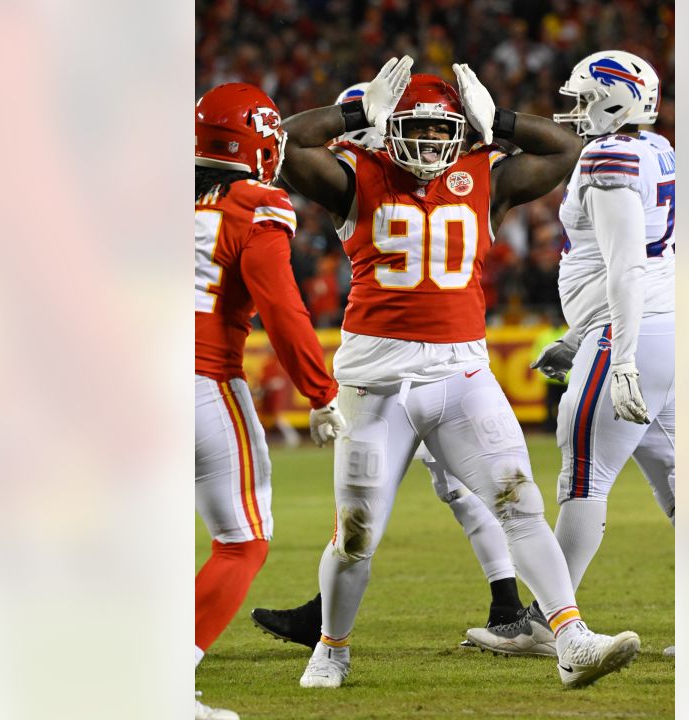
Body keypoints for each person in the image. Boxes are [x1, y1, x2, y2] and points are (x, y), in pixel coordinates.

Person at [277, 55, 640, 690]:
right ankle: (331, 648)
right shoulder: (356, 177)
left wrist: (498, 119)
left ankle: (571, 638)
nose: (427, 142)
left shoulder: (485, 174)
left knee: (519, 502)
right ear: (389, 128)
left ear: (461, 129)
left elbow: (566, 148)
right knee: (357, 533)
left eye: (440, 129)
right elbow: (281, 142)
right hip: (375, 384)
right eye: (413, 129)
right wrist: (353, 114)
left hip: (461, 372)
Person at [250, 82, 536, 655]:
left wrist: (495, 121)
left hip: (424, 363)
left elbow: (296, 145)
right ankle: (502, 603)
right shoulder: (382, 175)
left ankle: (515, 606)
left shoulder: (419, 174)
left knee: (455, 495)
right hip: (408, 361)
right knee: (410, 504)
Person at [475, 50, 677, 659]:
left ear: (616, 98)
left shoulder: (609, 157)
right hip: (664, 329)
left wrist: (619, 355)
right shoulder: (656, 146)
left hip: (630, 334)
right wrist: (575, 337)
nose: (578, 110)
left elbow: (626, 265)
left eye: (587, 98)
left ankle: (547, 624)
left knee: (583, 478)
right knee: (680, 482)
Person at [193, 82, 347, 719]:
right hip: (201, 378)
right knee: (243, 540)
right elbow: (282, 309)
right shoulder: (255, 205)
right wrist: (320, 390)